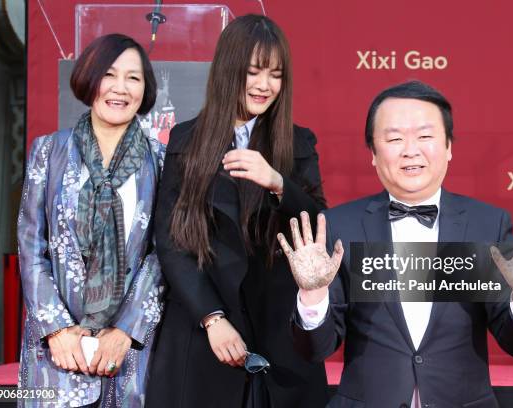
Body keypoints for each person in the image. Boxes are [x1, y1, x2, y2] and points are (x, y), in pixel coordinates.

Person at [278, 81, 513, 408]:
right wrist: (312, 297)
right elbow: (316, 348)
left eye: (425, 136)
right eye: (395, 138)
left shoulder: (486, 225)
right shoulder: (340, 226)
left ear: (449, 147)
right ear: (373, 153)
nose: (410, 150)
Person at [146, 14, 328, 408]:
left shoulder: (298, 142)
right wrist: (211, 317)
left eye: (276, 75)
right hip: (202, 329)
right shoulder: (185, 140)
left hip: (277, 332)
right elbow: (171, 240)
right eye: (253, 72)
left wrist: (279, 183)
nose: (265, 85)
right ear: (229, 70)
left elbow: (317, 229)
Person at [18, 34, 165, 407]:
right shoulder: (48, 152)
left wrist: (125, 331)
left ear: (146, 89)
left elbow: (164, 253)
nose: (120, 88)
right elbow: (31, 244)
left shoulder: (162, 161)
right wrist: (56, 330)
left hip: (126, 354)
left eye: (133, 78)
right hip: (55, 356)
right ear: (89, 79)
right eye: (109, 75)